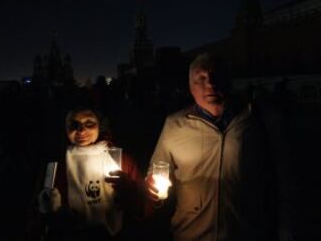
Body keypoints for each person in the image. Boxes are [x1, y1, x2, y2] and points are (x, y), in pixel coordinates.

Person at [145, 53, 295, 241]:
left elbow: (285, 178)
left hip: (246, 233)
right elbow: (157, 169)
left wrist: (287, 229)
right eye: (201, 78)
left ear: (228, 80)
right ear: (190, 87)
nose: (210, 83)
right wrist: (153, 191)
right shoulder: (175, 124)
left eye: (215, 76)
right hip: (191, 234)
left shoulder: (256, 120)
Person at [33, 106, 147, 240]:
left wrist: (130, 191)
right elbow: (38, 210)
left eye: (89, 123)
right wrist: (46, 208)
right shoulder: (56, 164)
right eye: (74, 124)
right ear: (65, 128)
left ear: (100, 125)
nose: (81, 130)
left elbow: (143, 207)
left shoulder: (121, 160)